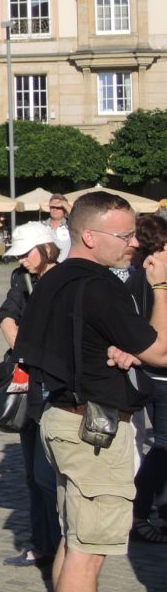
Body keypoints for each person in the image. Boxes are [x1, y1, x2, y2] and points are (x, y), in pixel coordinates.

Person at [19, 191, 167, 592]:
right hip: (93, 429)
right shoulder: (101, 287)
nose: (132, 245)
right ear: (90, 235)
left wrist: (106, 350)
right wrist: (162, 286)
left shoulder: (56, 278)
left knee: (72, 537)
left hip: (62, 418)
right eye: (123, 236)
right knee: (89, 549)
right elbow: (162, 350)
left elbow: (44, 343)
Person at [0, 221, 62, 567]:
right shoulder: (21, 279)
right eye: (18, 253)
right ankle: (43, 544)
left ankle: (63, 544)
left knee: (49, 473)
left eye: (26, 252)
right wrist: (23, 348)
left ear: (46, 248)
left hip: (59, 385)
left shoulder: (66, 279)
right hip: (30, 384)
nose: (21, 259)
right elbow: (6, 315)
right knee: (34, 475)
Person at [123, 212, 167, 545]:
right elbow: (156, 333)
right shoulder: (156, 276)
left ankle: (157, 510)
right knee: (163, 445)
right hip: (160, 373)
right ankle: (139, 512)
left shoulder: (135, 276)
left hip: (146, 373)